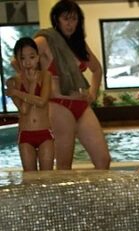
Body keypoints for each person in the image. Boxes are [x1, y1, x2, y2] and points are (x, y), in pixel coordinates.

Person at [34, 0, 110, 170]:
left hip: (81, 105)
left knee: (103, 160)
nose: (70, 24)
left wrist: (92, 93)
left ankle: (97, 189)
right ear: (57, 19)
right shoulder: (45, 40)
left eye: (74, 19)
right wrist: (44, 86)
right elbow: (19, 61)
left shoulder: (78, 43)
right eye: (66, 19)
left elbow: (97, 69)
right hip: (58, 105)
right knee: (64, 165)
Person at [7, 37, 54, 171]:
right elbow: (24, 110)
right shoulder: (13, 82)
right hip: (25, 134)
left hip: (44, 132)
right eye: (22, 58)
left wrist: (17, 93)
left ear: (38, 57)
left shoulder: (46, 76)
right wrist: (32, 86)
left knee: (47, 178)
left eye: (32, 57)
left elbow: (42, 101)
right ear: (17, 60)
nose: (28, 62)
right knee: (30, 178)